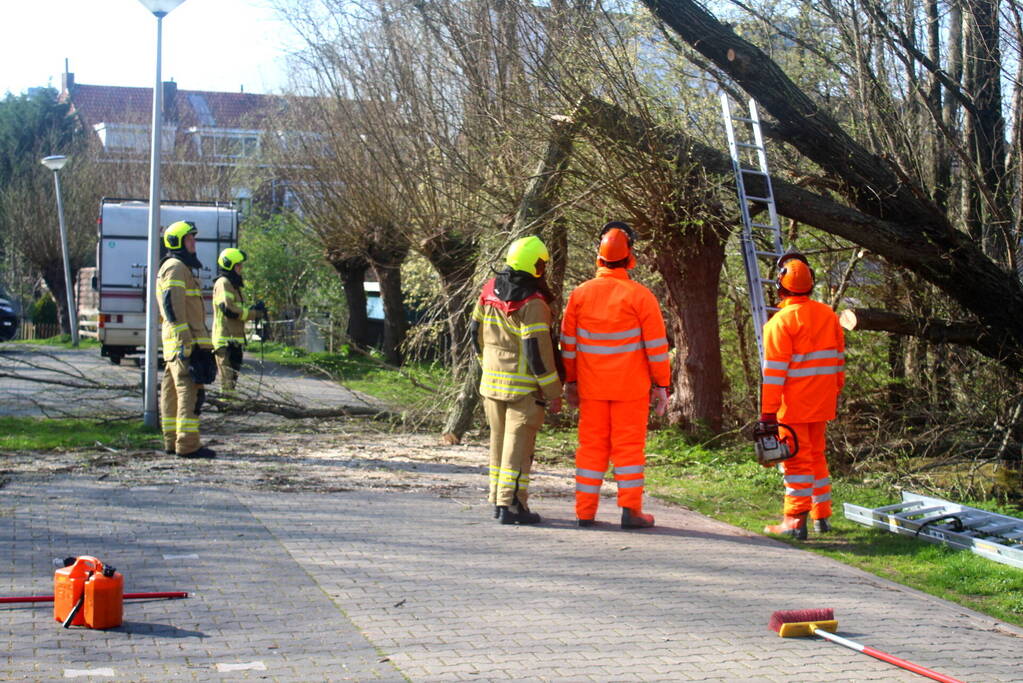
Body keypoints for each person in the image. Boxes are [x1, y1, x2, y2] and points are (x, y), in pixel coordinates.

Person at [560, 221, 670, 529]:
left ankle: (584, 512)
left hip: (592, 389)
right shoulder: (640, 296)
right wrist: (662, 385)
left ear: (599, 255)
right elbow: (657, 349)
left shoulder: (580, 295)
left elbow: (568, 346)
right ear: (630, 256)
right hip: (631, 390)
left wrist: (570, 382)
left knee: (591, 449)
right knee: (629, 451)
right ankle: (630, 511)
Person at [471, 235, 562, 525]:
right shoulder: (533, 303)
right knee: (518, 448)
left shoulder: (488, 290)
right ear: (536, 266)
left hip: (491, 384)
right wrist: (553, 391)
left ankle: (499, 502)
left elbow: (474, 334)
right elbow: (538, 352)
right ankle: (511, 506)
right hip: (523, 389)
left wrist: (484, 366)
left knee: (498, 445)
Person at [757, 252, 845, 540]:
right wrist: (832, 393)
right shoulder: (828, 316)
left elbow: (773, 376)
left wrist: (768, 414)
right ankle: (822, 515)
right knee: (817, 458)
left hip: (793, 407)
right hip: (822, 402)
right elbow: (838, 363)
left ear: (780, 286)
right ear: (811, 284)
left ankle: (795, 520)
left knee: (796, 463)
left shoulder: (779, 324)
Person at [157, 220, 216, 459]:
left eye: (193, 238)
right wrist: (187, 342)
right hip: (184, 344)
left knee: (171, 393)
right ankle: (188, 445)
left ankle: (172, 442)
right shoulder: (176, 267)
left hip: (176, 344)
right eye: (189, 238)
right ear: (177, 242)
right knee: (190, 394)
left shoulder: (174, 267)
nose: (194, 243)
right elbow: (173, 306)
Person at [212, 248, 265, 393]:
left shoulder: (234, 285)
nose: (241, 268)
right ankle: (227, 406)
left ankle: (230, 404)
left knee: (232, 381)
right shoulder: (224, 283)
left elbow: (238, 309)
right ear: (229, 265)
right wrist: (254, 313)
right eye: (238, 265)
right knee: (227, 381)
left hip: (234, 341)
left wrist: (254, 310)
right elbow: (229, 309)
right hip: (225, 341)